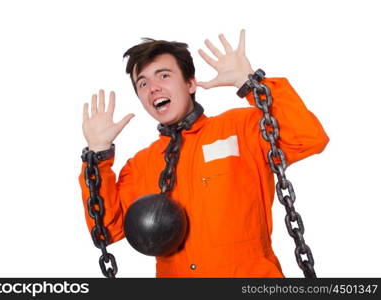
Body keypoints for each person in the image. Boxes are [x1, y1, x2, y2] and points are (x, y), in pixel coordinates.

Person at [79, 29, 329, 277]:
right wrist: (98, 155)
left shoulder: (240, 128)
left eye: (163, 75)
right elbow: (105, 231)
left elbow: (308, 139)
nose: (153, 88)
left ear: (190, 83)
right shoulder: (140, 165)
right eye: (142, 83)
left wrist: (250, 83)